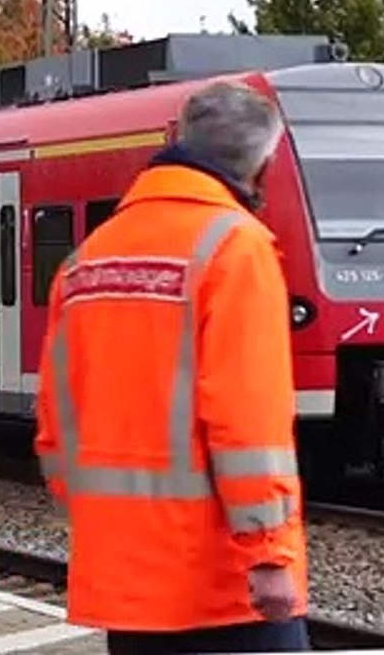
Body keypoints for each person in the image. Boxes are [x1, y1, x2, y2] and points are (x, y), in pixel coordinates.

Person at [33, 80, 309, 655]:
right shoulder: (236, 249)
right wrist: (268, 553)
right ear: (262, 166)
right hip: (221, 586)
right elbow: (247, 421)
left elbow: (55, 419)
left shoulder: (89, 259)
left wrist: (107, 525)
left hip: (127, 584)